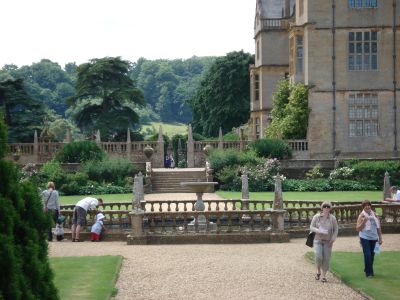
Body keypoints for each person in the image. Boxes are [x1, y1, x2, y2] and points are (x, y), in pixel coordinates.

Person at [310, 201, 339, 283]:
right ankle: (318, 270)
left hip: (328, 241)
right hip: (317, 240)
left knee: (326, 258)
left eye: (328, 207)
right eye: (325, 206)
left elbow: (336, 229)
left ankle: (324, 276)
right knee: (318, 256)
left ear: (330, 209)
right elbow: (311, 227)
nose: (326, 208)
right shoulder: (316, 217)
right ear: (322, 208)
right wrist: (318, 230)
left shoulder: (332, 218)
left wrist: (333, 240)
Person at [356, 200, 383, 277]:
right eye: (366, 205)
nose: (368, 206)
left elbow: (378, 227)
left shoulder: (375, 215)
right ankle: (369, 273)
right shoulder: (361, 216)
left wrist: (380, 238)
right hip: (364, 237)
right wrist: (364, 221)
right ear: (363, 207)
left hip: (374, 238)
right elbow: (357, 229)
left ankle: (367, 268)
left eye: (369, 205)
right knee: (367, 255)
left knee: (372, 255)